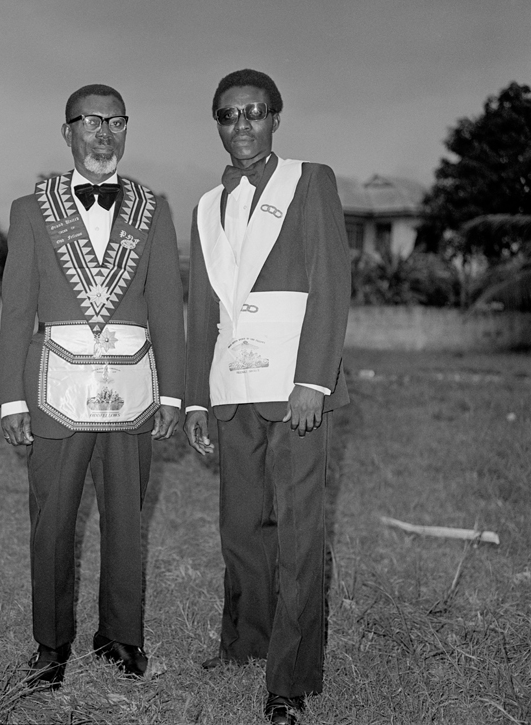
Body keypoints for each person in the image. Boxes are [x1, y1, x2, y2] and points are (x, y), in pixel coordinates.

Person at [0, 83, 185, 689]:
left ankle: (121, 637)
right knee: (52, 520)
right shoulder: (32, 210)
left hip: (134, 390)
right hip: (54, 389)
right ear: (68, 132)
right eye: (90, 122)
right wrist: (10, 395)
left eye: (115, 122)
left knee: (126, 519)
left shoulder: (153, 209)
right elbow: (15, 308)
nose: (103, 133)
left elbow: (166, 306)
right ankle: (51, 646)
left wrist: (175, 392)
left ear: (127, 130)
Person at [184, 69, 350, 724]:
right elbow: (202, 312)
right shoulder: (204, 206)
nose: (241, 124)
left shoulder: (310, 181)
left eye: (253, 111)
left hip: (292, 389)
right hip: (231, 389)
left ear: (275, 117)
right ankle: (245, 640)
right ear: (219, 125)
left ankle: (289, 678)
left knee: (298, 533)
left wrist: (312, 380)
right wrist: (195, 398)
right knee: (240, 527)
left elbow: (329, 282)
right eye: (227, 115)